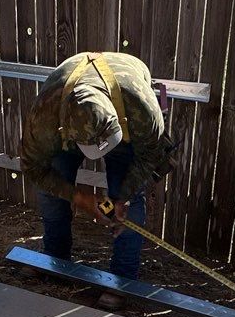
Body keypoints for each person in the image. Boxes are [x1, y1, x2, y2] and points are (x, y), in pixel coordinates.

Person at [20, 51, 174, 279]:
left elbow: (148, 158)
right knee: (52, 193)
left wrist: (123, 197)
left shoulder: (141, 108)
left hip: (125, 107)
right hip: (64, 120)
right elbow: (33, 168)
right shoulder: (44, 119)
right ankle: (55, 259)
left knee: (129, 202)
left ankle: (123, 278)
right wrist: (80, 199)